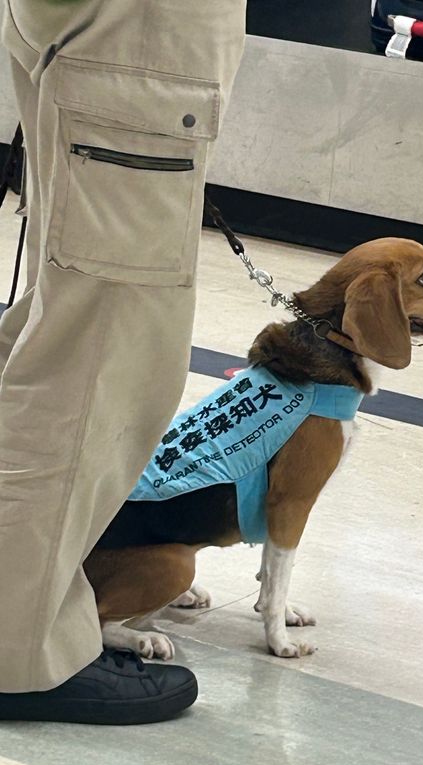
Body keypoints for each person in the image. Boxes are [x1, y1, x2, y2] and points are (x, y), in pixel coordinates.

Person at [0, 0, 246, 724]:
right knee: (97, 363)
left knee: (56, 337)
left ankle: (25, 615)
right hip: (139, 27)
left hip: (103, 28)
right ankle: (20, 652)